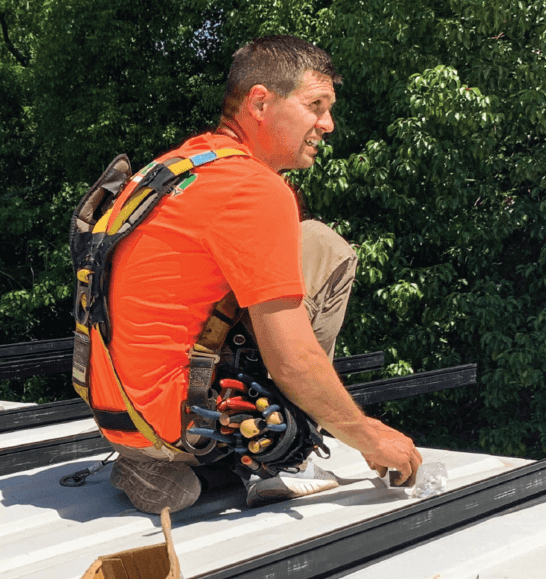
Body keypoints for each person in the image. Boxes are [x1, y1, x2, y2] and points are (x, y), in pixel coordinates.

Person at [87, 35, 422, 513]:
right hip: (182, 423)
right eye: (315, 105)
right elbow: (292, 361)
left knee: (299, 245)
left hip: (122, 414)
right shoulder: (252, 189)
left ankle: (153, 460)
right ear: (261, 102)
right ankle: (283, 459)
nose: (327, 124)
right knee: (323, 245)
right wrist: (368, 436)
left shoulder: (173, 169)